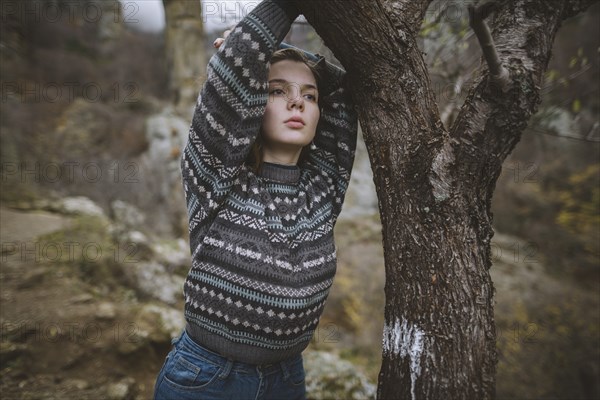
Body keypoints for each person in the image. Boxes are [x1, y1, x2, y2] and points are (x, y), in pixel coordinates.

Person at [153, 0, 357, 399]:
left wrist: (289, 58)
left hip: (286, 379)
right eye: (276, 91)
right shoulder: (216, 175)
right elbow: (234, 68)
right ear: (252, 102)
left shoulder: (324, 186)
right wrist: (252, 52)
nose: (297, 102)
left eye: (310, 96)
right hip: (207, 379)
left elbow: (349, 89)